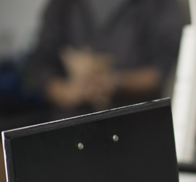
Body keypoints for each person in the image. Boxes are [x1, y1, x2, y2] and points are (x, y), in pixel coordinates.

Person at [26, 0, 183, 117]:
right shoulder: (62, 5)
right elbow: (42, 61)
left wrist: (116, 81)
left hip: (135, 123)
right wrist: (67, 92)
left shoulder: (158, 5)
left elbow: (167, 67)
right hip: (72, 125)